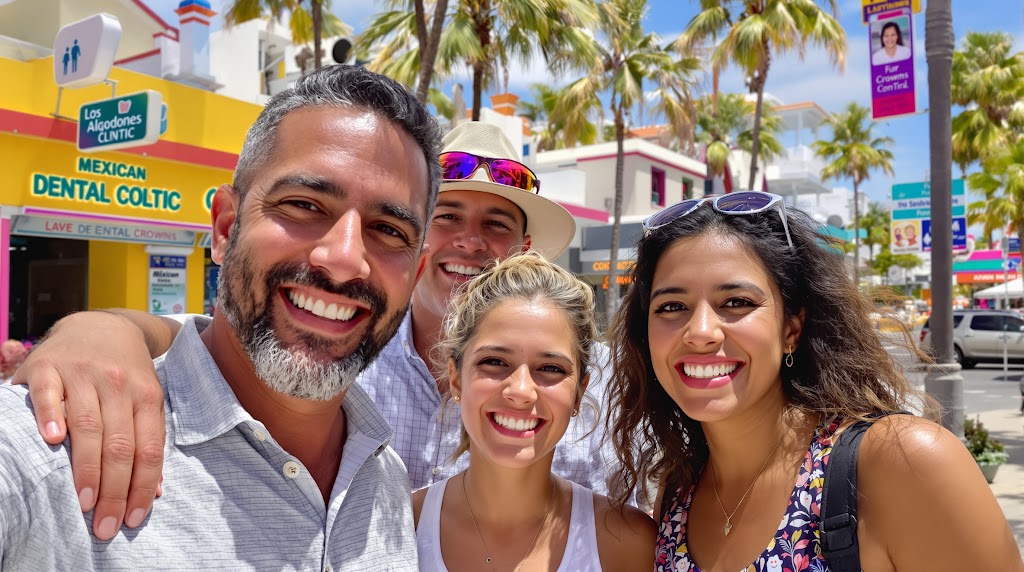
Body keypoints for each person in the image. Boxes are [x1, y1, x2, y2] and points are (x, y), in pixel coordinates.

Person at [15, 121, 614, 533]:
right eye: (447, 215)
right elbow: (221, 339)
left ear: (525, 247)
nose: (470, 241)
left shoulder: (584, 389)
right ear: (413, 236)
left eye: (496, 224)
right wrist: (99, 327)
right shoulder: (343, 343)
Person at [0, 64, 442, 568]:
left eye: (388, 231)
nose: (343, 259)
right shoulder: (55, 446)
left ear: (416, 271)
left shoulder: (383, 480)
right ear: (226, 227)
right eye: (303, 204)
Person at [606, 192, 1022, 571]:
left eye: (736, 302)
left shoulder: (902, 463)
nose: (700, 331)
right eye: (672, 306)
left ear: (792, 327)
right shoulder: (675, 496)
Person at [414, 251, 653, 571]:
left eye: (551, 368)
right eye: (495, 362)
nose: (521, 391)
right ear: (456, 380)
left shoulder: (628, 542)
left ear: (580, 392)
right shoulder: (398, 528)